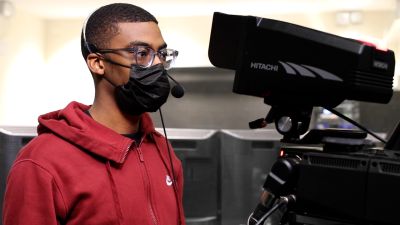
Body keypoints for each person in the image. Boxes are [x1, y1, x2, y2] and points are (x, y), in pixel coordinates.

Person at [2, 3, 185, 225]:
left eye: (161, 54)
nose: (157, 64)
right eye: (142, 53)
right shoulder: (41, 161)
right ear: (98, 63)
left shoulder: (162, 150)